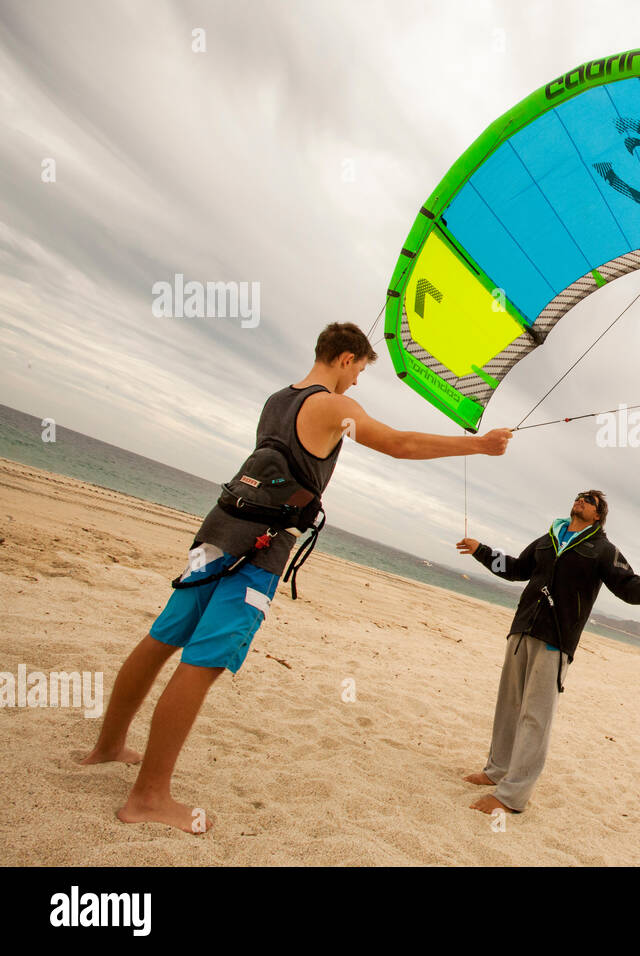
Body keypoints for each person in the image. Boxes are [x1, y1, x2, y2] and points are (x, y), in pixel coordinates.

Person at [79, 322, 512, 834]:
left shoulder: (277, 400)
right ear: (348, 359)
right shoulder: (331, 405)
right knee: (204, 661)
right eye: (360, 372)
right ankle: (149, 797)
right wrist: (480, 447)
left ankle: (108, 746)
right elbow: (397, 444)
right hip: (258, 551)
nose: (356, 386)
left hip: (219, 529)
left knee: (162, 637)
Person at [456, 490, 640, 813]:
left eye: (589, 500)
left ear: (598, 515)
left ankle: (513, 797)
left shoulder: (603, 550)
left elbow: (627, 586)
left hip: (556, 639)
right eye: (580, 496)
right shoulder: (550, 537)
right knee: (508, 706)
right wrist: (480, 551)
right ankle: (496, 771)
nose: (581, 500)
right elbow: (515, 568)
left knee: (535, 717)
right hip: (523, 629)